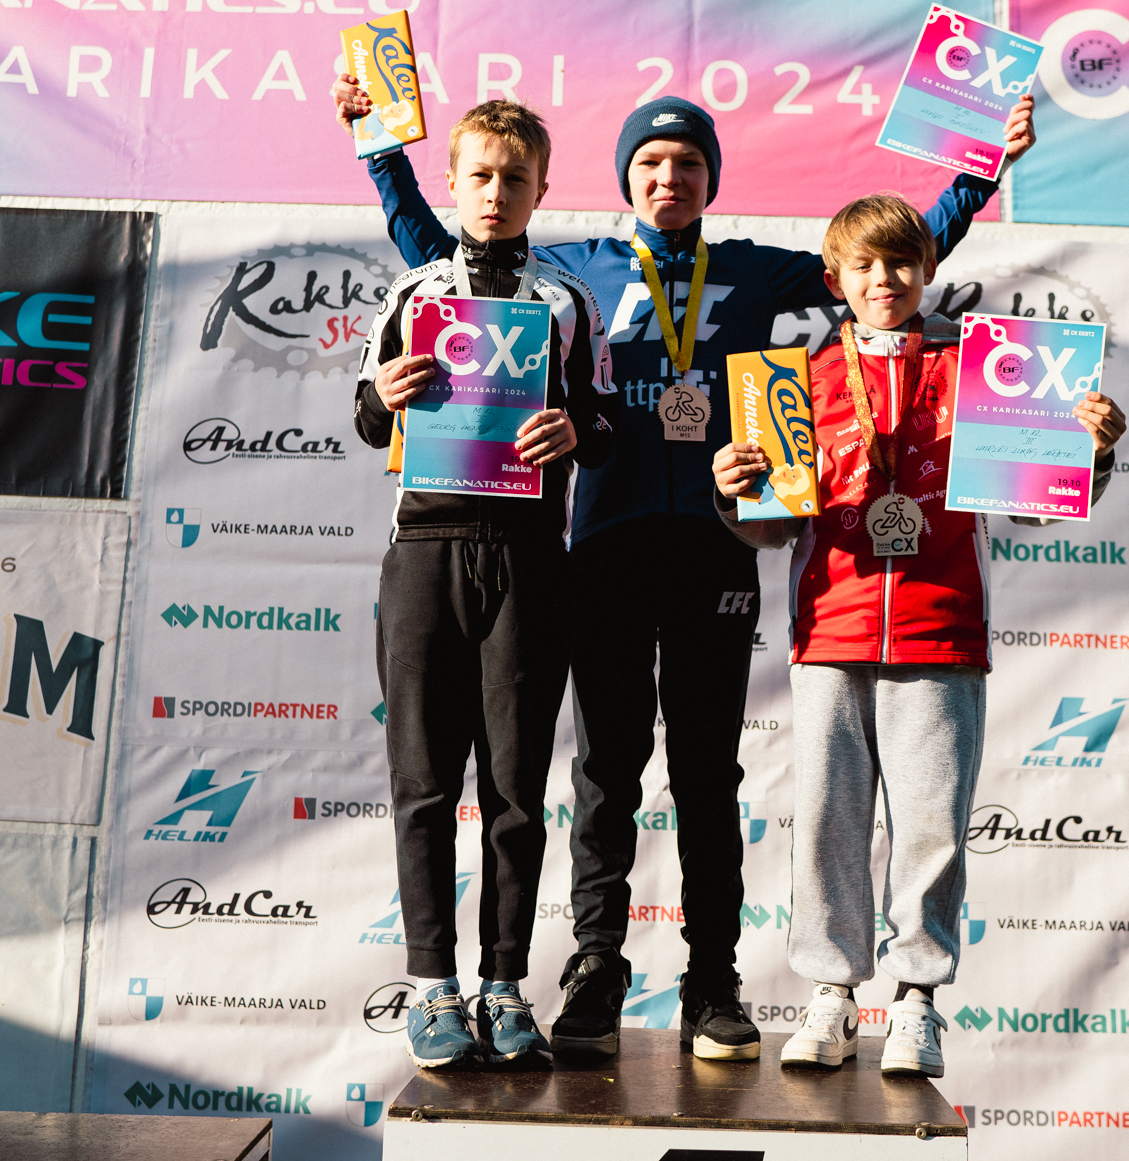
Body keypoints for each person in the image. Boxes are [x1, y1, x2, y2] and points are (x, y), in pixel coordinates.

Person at [333, 73, 1035, 1060]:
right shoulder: (568, 271)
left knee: (708, 773)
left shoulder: (752, 272)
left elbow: (888, 259)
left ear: (711, 179)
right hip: (603, 548)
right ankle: (594, 964)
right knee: (604, 770)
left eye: (690, 162)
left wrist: (981, 168)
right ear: (625, 177)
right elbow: (431, 252)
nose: (670, 176)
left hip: (715, 549)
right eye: (652, 162)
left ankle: (712, 978)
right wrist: (378, 148)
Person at [709, 194, 1126, 1077]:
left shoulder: (987, 372)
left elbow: (1036, 509)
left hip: (942, 626)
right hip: (831, 628)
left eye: (900, 261)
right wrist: (734, 489)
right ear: (834, 280)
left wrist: (1088, 452)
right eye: (863, 265)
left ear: (929, 269)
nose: (884, 279)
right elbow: (770, 530)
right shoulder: (797, 380)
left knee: (932, 828)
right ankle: (831, 993)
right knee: (829, 821)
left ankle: (916, 1000)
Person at [353, 98, 616, 1069]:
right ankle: (433, 985)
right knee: (423, 782)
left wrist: (575, 431)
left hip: (528, 554)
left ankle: (503, 983)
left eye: (515, 178)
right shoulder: (414, 290)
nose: (496, 193)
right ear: (454, 183)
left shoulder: (566, 300)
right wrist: (383, 394)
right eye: (480, 176)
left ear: (541, 188)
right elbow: (367, 416)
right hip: (425, 548)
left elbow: (603, 421)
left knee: (514, 788)